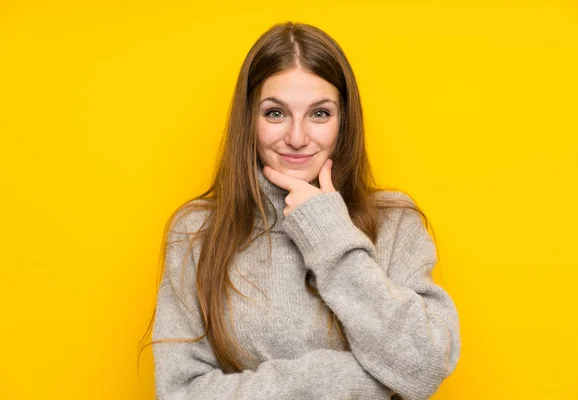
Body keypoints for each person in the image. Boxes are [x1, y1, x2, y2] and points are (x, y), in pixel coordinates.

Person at [146, 21, 461, 400]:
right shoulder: (197, 231)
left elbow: (424, 366)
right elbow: (180, 392)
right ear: (249, 119)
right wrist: (328, 380)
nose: (296, 137)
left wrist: (328, 232)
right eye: (275, 113)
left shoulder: (395, 223)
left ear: (344, 121)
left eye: (320, 114)